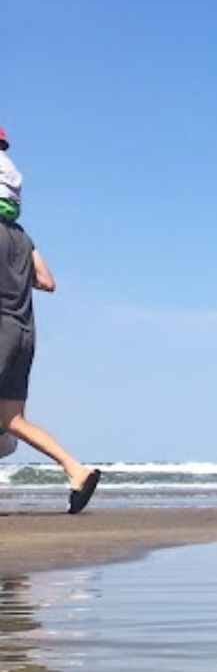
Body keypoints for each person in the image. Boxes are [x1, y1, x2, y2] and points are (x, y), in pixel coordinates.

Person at [0, 124, 99, 514]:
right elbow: (47, 281)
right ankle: (76, 469)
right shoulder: (23, 236)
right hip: (24, 331)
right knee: (12, 419)